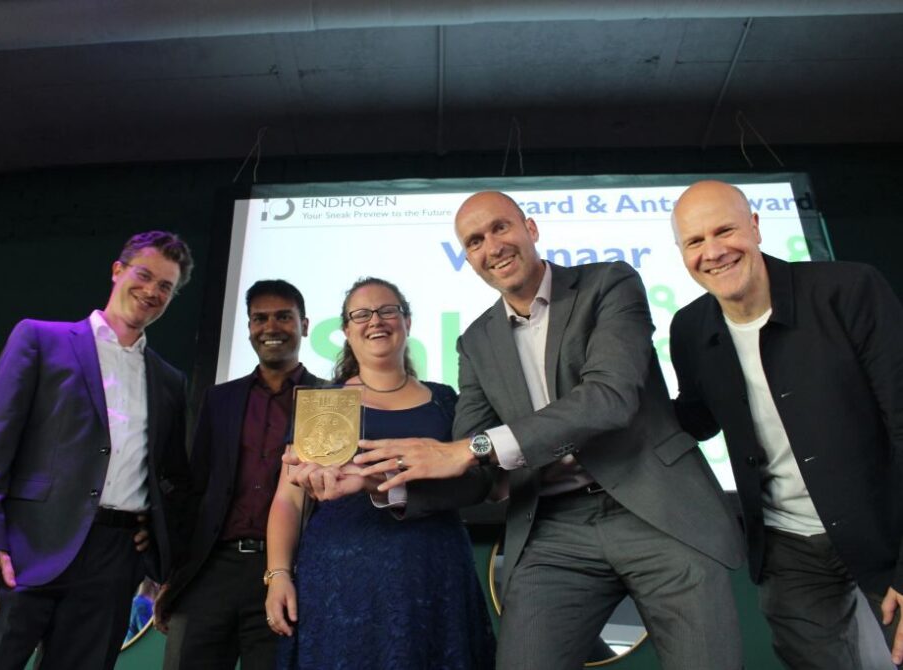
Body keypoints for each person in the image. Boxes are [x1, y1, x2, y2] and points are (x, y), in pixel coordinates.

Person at [354, 191, 745, 669]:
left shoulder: (610, 283)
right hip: (554, 527)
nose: (492, 246)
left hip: (656, 507)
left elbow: (610, 398)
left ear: (531, 229)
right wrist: (385, 483)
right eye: (475, 241)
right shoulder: (475, 342)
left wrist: (472, 447)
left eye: (500, 227)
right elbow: (478, 473)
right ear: (468, 259)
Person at [669, 179, 903, 669]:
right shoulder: (689, 328)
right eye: (694, 241)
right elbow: (697, 419)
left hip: (886, 527)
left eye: (724, 231)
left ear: (755, 226)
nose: (713, 252)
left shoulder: (850, 290)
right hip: (787, 546)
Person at [0, 231, 194, 670]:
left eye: (165, 286)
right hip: (20, 550)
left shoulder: (170, 381)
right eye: (144, 275)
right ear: (117, 271)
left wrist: (153, 536)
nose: (152, 291)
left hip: (114, 562)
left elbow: (171, 476)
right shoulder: (39, 339)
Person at [266, 277, 496, 670]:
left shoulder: (446, 400)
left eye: (388, 310)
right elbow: (288, 499)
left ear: (407, 322)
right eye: (361, 314)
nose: (376, 320)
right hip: (341, 576)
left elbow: (479, 483)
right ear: (346, 331)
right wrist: (278, 575)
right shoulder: (323, 403)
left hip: (433, 571)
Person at [155, 279, 322, 669]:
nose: (271, 327)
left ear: (304, 325)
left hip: (290, 573)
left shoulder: (327, 399)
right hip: (210, 571)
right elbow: (194, 490)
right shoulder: (220, 399)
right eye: (259, 319)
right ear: (248, 328)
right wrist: (174, 575)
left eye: (283, 317)